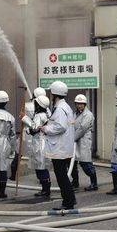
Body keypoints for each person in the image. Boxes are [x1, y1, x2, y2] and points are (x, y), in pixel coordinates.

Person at [39, 80, 77, 210]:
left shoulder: (60, 108)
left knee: (61, 176)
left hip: (59, 148)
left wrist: (46, 129)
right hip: (64, 147)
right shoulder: (66, 107)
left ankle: (68, 202)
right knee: (63, 175)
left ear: (54, 94)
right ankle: (70, 199)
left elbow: (60, 126)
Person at [21, 94, 52, 197]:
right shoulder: (46, 114)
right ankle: (46, 188)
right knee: (42, 166)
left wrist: (24, 118)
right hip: (44, 142)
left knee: (40, 167)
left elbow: (35, 127)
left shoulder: (39, 116)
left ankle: (45, 190)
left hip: (39, 143)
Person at [70, 94, 98, 191]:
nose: (79, 105)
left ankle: (94, 183)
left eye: (81, 104)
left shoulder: (88, 114)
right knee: (72, 163)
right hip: (74, 141)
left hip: (83, 141)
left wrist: (72, 138)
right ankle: (75, 182)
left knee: (86, 163)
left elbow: (82, 129)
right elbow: (71, 124)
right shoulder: (75, 114)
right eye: (78, 103)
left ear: (85, 104)